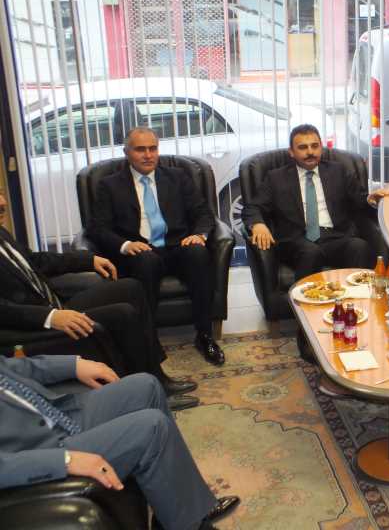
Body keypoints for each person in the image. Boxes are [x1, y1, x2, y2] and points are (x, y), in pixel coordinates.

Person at [0, 192, 197, 411]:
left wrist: (88, 260)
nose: (3, 202)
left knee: (131, 287)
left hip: (54, 306)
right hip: (32, 327)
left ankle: (156, 375)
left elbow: (36, 261)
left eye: (0, 194)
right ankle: (148, 394)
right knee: (122, 314)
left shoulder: (2, 233)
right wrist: (50, 316)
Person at [0, 354, 239, 530]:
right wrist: (63, 460)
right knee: (152, 428)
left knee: (145, 386)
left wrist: (74, 364)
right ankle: (192, 525)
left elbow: (12, 367)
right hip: (38, 450)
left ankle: (176, 511)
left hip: (51, 414)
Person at [87, 127, 225, 366]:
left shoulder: (178, 177)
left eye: (153, 148)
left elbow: (203, 213)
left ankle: (205, 335)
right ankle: (148, 340)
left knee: (198, 253)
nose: (148, 155)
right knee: (146, 260)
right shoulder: (109, 185)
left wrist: (199, 235)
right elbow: (97, 228)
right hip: (140, 251)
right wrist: (125, 245)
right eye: (140, 149)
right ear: (127, 152)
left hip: (177, 245)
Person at [242, 123, 389, 281]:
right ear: (291, 152)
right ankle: (303, 296)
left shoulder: (338, 171)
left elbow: (359, 198)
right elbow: (253, 207)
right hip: (297, 241)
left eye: (314, 146)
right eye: (302, 147)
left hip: (335, 237)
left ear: (321, 147)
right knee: (311, 252)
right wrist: (258, 224)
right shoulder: (276, 178)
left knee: (359, 247)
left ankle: (357, 295)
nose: (310, 152)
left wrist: (370, 199)